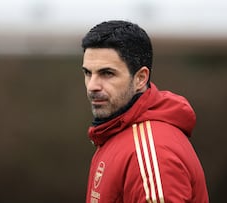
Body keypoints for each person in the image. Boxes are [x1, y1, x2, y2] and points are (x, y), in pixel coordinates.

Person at [81, 20, 209, 203]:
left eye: (107, 73)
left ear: (141, 78)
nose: (92, 86)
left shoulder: (153, 151)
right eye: (88, 73)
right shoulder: (118, 134)